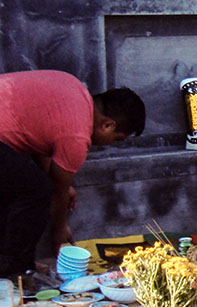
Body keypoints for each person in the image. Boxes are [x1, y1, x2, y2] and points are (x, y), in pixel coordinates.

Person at [0, 70, 146, 279]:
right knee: (36, 191)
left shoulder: (74, 87)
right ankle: (14, 270)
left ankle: (15, 263)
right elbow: (56, 193)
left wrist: (62, 182)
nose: (111, 144)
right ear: (107, 125)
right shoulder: (78, 135)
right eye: (116, 138)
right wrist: (59, 229)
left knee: (24, 186)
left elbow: (40, 141)